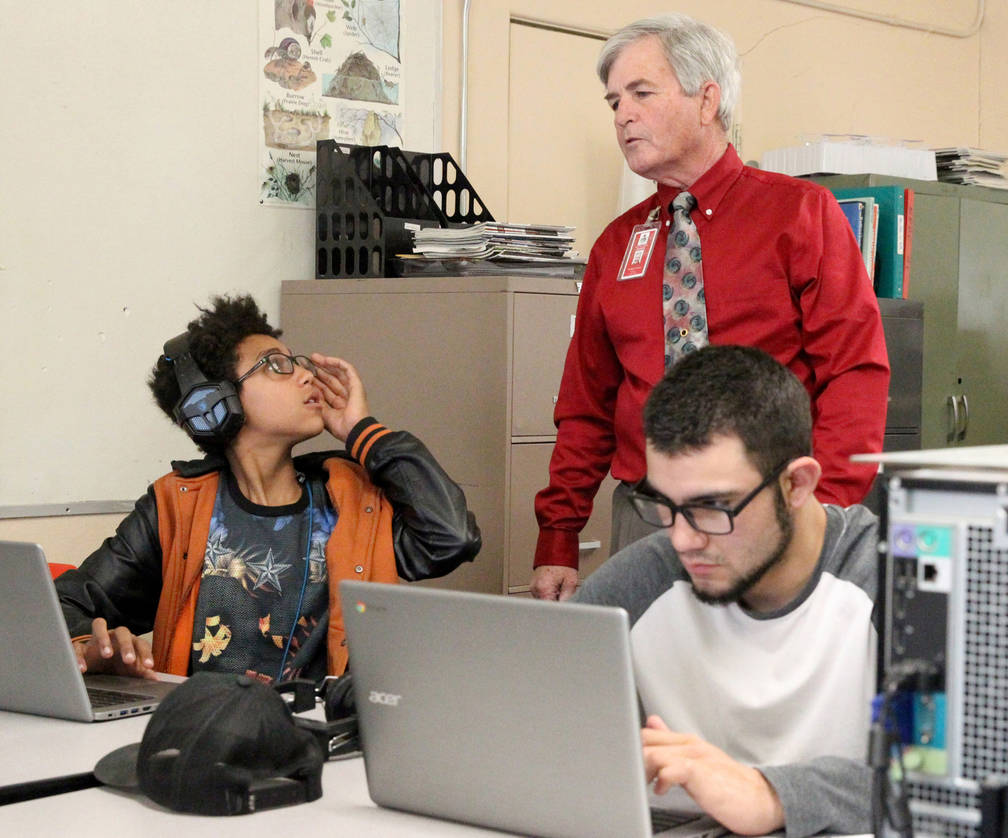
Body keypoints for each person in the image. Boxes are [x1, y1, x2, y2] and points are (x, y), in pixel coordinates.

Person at [531, 13, 889, 600]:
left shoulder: (800, 214)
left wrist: (821, 516)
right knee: (643, 683)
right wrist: (558, 537)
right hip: (644, 517)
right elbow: (586, 405)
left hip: (765, 517)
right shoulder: (617, 244)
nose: (623, 115)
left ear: (707, 100)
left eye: (641, 93)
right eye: (614, 100)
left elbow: (855, 374)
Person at [56, 294, 481, 684]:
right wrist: (92, 651)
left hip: (320, 736)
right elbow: (62, 607)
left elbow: (451, 538)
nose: (306, 375)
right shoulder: (177, 505)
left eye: (296, 362)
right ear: (214, 405)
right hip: (201, 734)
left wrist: (363, 433)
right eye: (276, 365)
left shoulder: (350, 498)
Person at [573, 344, 877, 837]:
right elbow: (529, 729)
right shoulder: (644, 580)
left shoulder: (887, 580)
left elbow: (968, 780)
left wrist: (773, 795)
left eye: (712, 507)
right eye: (664, 505)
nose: (682, 539)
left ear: (797, 485)